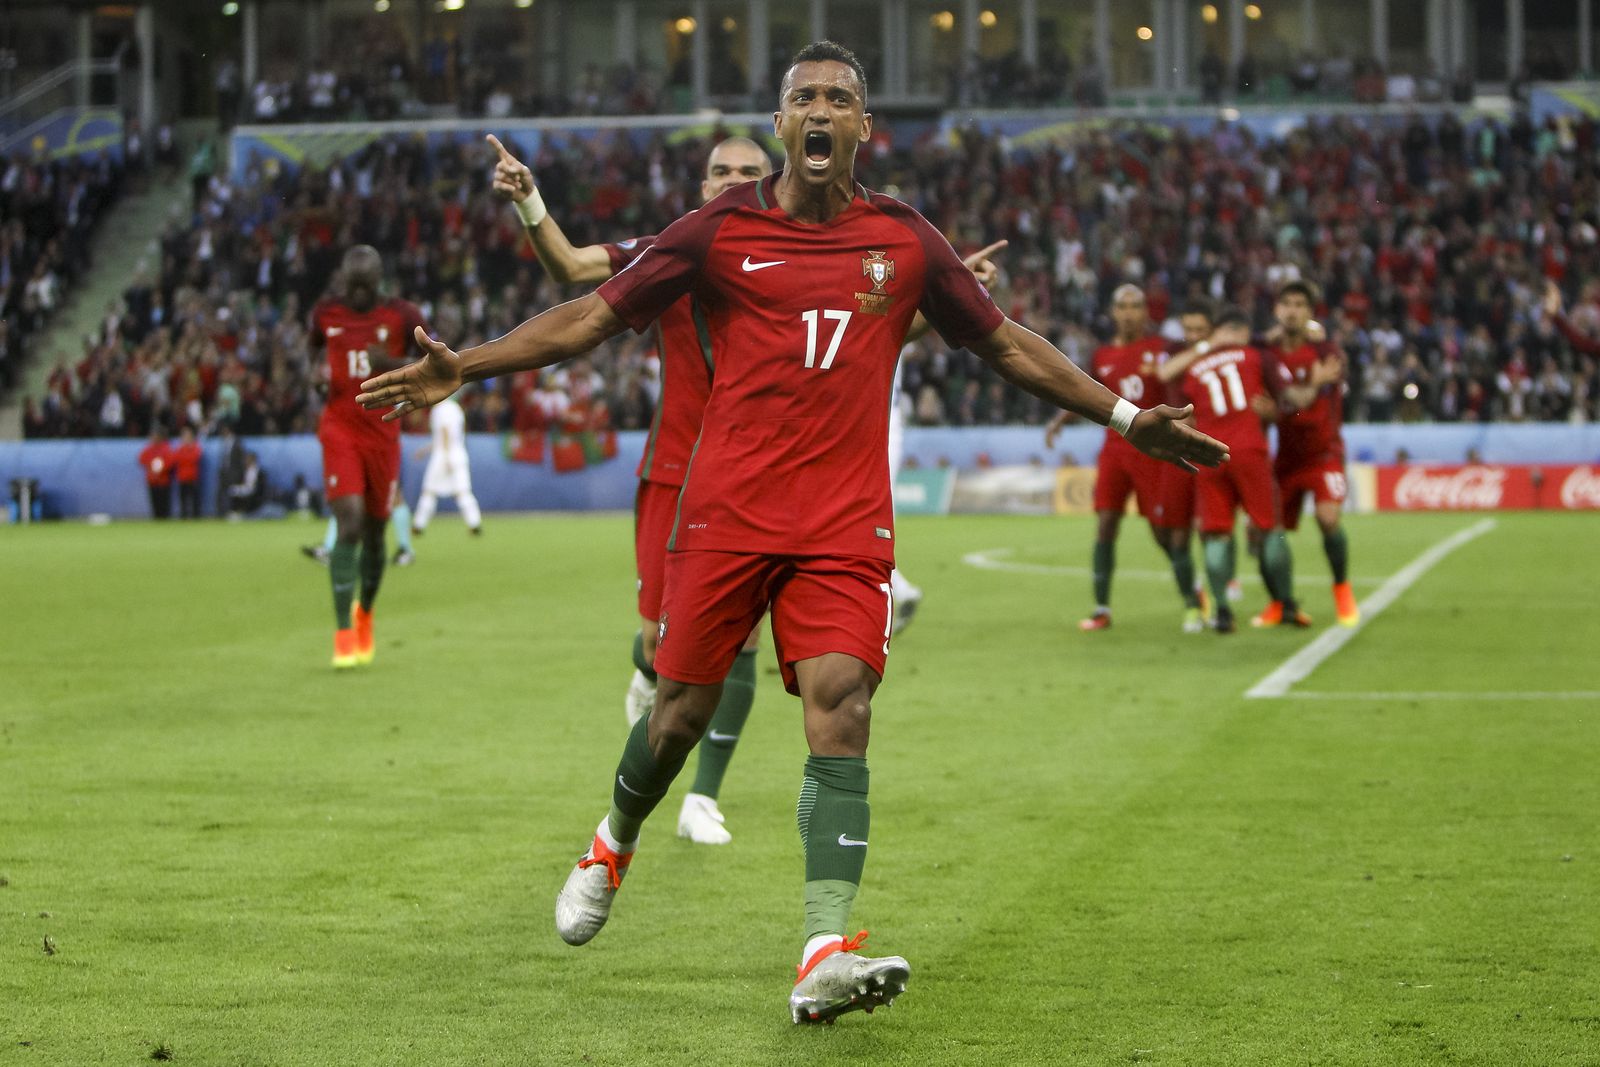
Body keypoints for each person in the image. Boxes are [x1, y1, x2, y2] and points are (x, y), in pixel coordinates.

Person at [361, 41, 1225, 1025]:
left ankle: (822, 947)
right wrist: (467, 365)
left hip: (843, 520)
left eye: (838, 99)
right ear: (781, 123)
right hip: (726, 510)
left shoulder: (904, 239)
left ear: (864, 126)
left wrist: (1125, 416)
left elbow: (1005, 344)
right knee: (677, 716)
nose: (820, 110)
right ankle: (613, 839)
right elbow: (587, 316)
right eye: (803, 97)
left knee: (841, 703)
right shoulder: (716, 229)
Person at [490, 132, 1002, 845]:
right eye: (720, 171)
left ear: (777, 179)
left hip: (759, 482)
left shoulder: (809, 258)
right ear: (702, 186)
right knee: (661, 645)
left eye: (748, 171)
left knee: (743, 640)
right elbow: (570, 267)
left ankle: (703, 797)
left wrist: (947, 301)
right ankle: (649, 673)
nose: (733, 179)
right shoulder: (671, 250)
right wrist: (530, 202)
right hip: (677, 470)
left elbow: (854, 337)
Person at [1044, 284, 1205, 633]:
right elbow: (1085, 393)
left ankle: (1193, 599)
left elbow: (1187, 383)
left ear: (1145, 312)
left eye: (1135, 306)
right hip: (1115, 450)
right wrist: (1059, 421)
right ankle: (1101, 609)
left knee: (1163, 534)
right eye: (1123, 306)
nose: (1129, 313)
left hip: (1153, 452)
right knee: (1105, 524)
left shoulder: (1163, 349)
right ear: (1113, 312)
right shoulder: (1102, 355)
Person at [1159, 308, 1309, 633]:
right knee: (1271, 529)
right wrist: (1278, 411)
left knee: (1216, 535)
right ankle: (1287, 603)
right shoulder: (1256, 356)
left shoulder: (1194, 366)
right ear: (1243, 332)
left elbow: (1185, 414)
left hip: (1211, 454)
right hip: (1250, 451)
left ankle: (1223, 612)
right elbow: (1288, 401)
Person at [311, 245, 425, 668]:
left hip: (383, 433)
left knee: (377, 533)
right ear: (343, 281)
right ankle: (343, 632)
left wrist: (389, 361)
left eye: (366, 286)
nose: (358, 293)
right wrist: (315, 374)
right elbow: (313, 351)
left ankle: (365, 614)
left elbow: (434, 361)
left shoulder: (403, 316)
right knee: (351, 522)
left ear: (379, 281)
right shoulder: (325, 314)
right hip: (340, 429)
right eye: (352, 286)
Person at [1264, 281, 1359, 628]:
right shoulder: (1267, 354)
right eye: (1286, 304)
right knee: (1268, 531)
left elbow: (1295, 403)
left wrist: (1294, 396)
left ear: (1309, 312)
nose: (1292, 310)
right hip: (1286, 459)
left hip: (1324, 454)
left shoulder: (1327, 352)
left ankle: (1341, 588)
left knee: (1328, 518)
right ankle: (1280, 604)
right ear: (1277, 310)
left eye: (1299, 305)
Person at [411, 393, 482, 536]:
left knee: (429, 491)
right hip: (459, 453)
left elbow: (445, 431)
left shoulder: (440, 409)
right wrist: (425, 451)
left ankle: (418, 524)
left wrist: (446, 456)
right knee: (463, 491)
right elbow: (455, 434)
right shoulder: (456, 408)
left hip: (443, 455)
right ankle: (474, 523)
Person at [138, 428, 174, 520]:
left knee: (164, 502)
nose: (154, 439)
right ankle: (156, 518)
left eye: (155, 436)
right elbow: (141, 459)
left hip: (163, 480)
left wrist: (161, 469)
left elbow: (170, 462)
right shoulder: (149, 449)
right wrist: (151, 466)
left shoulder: (166, 448)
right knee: (154, 502)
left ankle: (165, 518)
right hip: (152, 480)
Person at [172, 426, 203, 519]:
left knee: (194, 500)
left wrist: (187, 452)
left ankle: (196, 517)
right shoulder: (180, 448)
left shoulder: (196, 447)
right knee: (183, 500)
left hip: (193, 478)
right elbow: (176, 459)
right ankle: (183, 517)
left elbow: (195, 458)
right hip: (182, 478)